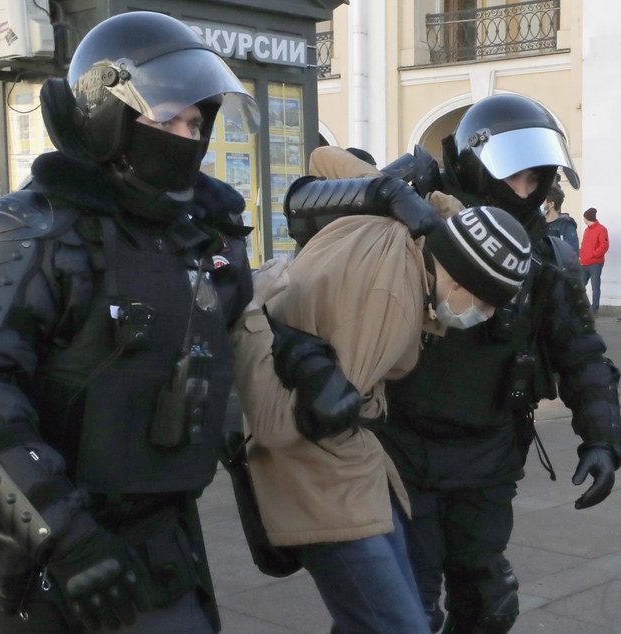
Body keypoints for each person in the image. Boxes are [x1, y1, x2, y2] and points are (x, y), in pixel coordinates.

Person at [0, 11, 257, 633]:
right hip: (23, 547)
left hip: (155, 531)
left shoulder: (206, 238)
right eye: (168, 119)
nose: (187, 136)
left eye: (195, 122)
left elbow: (228, 351)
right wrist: (65, 537)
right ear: (110, 120)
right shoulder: (30, 227)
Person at [269, 93, 621, 633]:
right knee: (406, 606)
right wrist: (384, 186)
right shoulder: (418, 216)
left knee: (487, 601)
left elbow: (583, 354)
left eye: (538, 181)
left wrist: (602, 436)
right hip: (400, 447)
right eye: (518, 177)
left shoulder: (544, 258)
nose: (526, 193)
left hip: (489, 452)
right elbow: (304, 205)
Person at [233, 159, 532, 633]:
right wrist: (247, 316)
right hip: (324, 482)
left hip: (357, 470)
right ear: (456, 281)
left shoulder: (403, 231)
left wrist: (396, 192)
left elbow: (324, 161)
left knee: (395, 617)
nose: (485, 316)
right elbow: (278, 424)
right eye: (486, 303)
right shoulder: (392, 306)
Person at [580, 207, 609, 314]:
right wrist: (581, 257)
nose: (583, 219)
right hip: (584, 263)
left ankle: (594, 309)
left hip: (596, 264)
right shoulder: (587, 230)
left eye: (584, 217)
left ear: (587, 218)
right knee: (580, 286)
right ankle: (583, 307)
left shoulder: (602, 229)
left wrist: (592, 254)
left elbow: (604, 246)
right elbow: (584, 246)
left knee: (595, 287)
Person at [542, 185, 579, 252]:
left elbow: (572, 256)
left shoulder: (566, 226)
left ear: (551, 204)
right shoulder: (536, 224)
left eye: (541, 201)